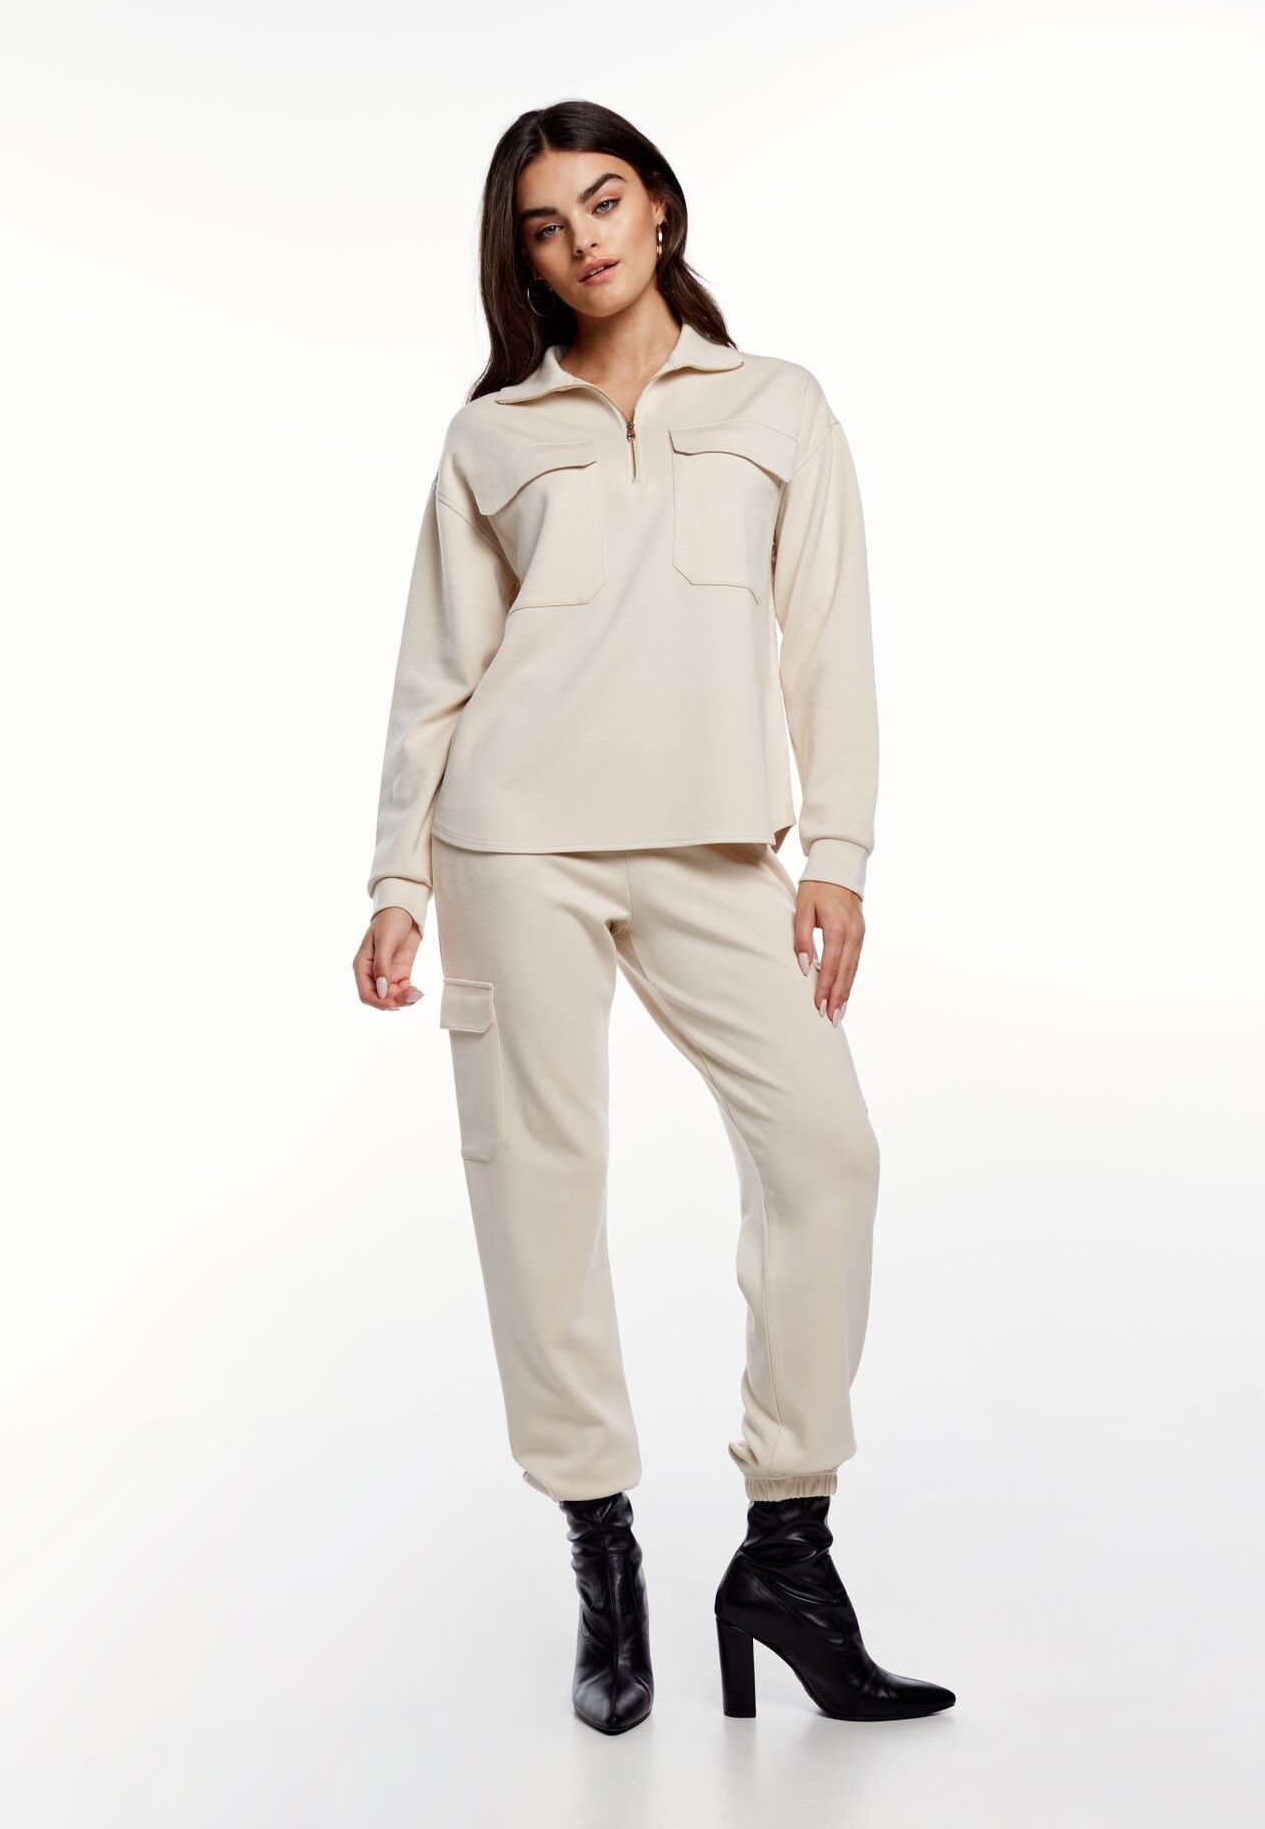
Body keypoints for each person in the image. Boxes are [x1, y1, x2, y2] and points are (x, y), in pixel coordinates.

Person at [352, 100, 955, 1735]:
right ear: (524, 259)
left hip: (714, 847)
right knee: (538, 1187)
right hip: (512, 847)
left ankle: (787, 1549)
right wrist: (399, 880)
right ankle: (600, 1550)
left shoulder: (777, 403)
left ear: (662, 209)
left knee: (826, 1153)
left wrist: (838, 852)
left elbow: (830, 637)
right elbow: (435, 673)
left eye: (604, 202)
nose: (584, 241)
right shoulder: (493, 437)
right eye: (546, 226)